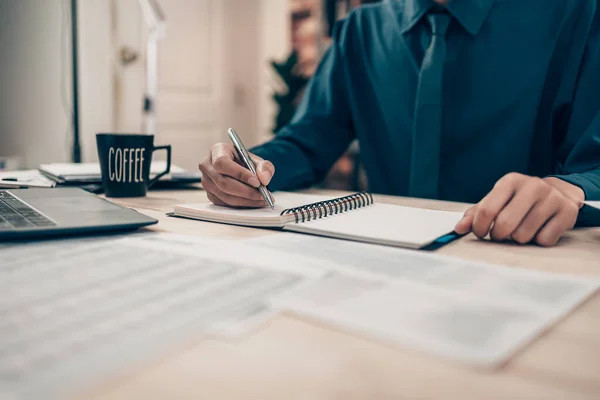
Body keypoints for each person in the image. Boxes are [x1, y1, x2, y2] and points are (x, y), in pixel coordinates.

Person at [199, 0, 600, 247]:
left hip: (521, 257)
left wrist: (569, 190)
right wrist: (247, 167)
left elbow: (593, 168)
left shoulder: (579, 13)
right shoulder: (361, 30)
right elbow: (307, 142)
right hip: (379, 257)